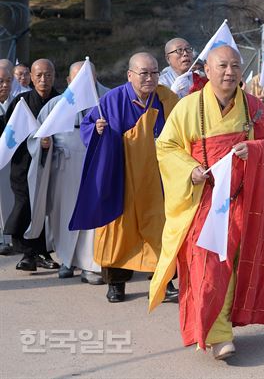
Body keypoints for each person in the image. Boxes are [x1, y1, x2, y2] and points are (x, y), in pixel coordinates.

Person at [148, 45, 264, 360]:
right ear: (207, 70)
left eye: (235, 66)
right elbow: (166, 146)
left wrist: (255, 149)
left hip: (241, 199)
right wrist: (189, 169)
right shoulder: (188, 106)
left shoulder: (252, 107)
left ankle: (221, 327)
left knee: (234, 263)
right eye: (222, 66)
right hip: (204, 199)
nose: (229, 72)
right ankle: (218, 333)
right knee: (206, 264)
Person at [69, 52, 179, 302]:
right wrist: (96, 130)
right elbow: (88, 127)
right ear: (130, 75)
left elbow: (181, 128)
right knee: (117, 233)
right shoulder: (111, 99)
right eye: (144, 73)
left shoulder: (166, 99)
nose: (150, 78)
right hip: (122, 177)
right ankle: (116, 284)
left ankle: (164, 282)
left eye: (154, 73)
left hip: (156, 180)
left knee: (160, 230)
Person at [26, 61, 107, 284]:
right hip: (64, 168)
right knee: (64, 216)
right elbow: (36, 136)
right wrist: (43, 144)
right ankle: (66, 260)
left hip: (96, 167)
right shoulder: (55, 106)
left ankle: (91, 265)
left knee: (92, 218)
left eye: (87, 78)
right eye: (77, 79)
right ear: (69, 81)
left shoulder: (108, 100)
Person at [0, 59, 60, 271]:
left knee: (45, 208)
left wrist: (50, 142)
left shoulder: (61, 101)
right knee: (25, 205)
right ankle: (28, 253)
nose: (44, 80)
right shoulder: (21, 102)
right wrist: (33, 141)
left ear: (54, 76)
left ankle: (41, 252)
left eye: (48, 75)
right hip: (24, 165)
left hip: (53, 165)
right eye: (39, 76)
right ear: (31, 77)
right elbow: (10, 132)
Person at [0, 65, 15, 255]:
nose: (4, 86)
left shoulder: (17, 103)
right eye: (0, 82)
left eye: (8, 81)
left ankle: (9, 237)